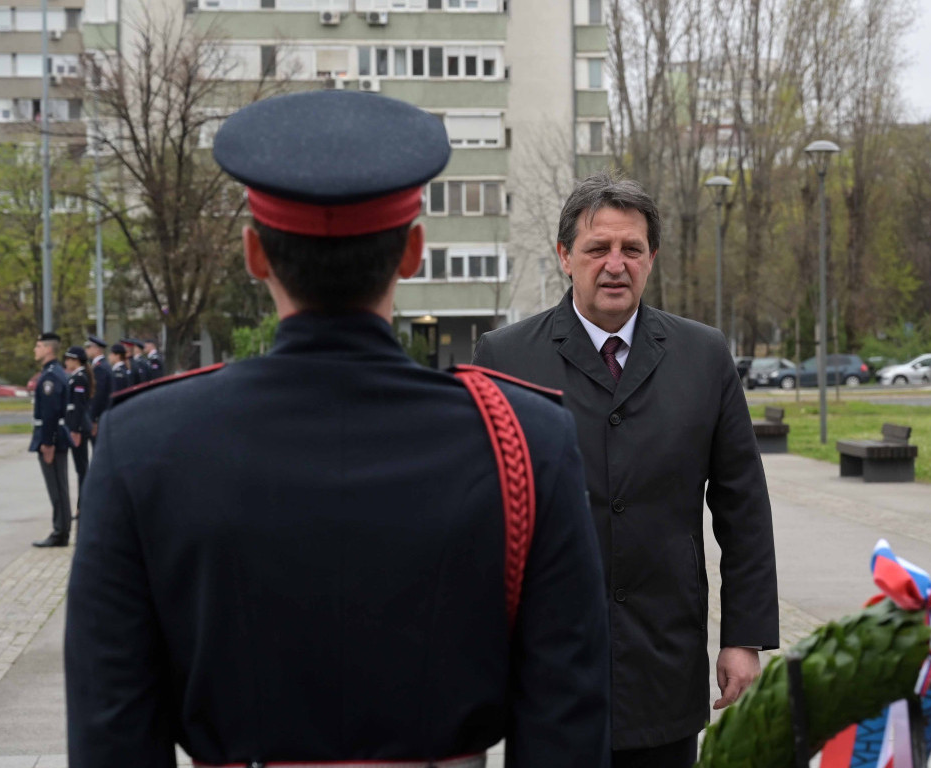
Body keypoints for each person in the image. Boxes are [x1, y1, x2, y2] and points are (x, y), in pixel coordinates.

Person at [65, 90, 610, 768]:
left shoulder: (141, 444)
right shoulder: (526, 443)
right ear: (413, 252)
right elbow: (568, 726)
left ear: (254, 254)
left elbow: (110, 732)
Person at [472, 172, 779, 768]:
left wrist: (743, 637)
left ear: (651, 258)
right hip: (550, 670)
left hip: (664, 663)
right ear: (565, 256)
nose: (616, 265)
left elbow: (743, 507)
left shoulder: (704, 356)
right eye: (598, 249)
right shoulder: (505, 358)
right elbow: (480, 516)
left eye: (631, 249)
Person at [29, 332, 72, 547]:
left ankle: (60, 531)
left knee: (56, 487)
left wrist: (48, 442)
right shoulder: (55, 372)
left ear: (48, 349)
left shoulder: (50, 376)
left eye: (38, 346)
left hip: (51, 438)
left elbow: (50, 412)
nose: (35, 350)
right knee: (59, 485)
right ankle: (61, 529)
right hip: (55, 436)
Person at [61, 346, 93, 513]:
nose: (66, 362)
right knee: (81, 468)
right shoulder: (75, 377)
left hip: (78, 428)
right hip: (75, 427)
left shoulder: (79, 378)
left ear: (76, 361)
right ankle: (84, 504)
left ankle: (84, 504)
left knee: (82, 468)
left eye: (68, 359)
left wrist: (75, 430)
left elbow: (78, 407)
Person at [84, 336, 112, 439]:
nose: (86, 350)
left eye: (88, 347)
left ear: (96, 349)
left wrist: (94, 418)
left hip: (99, 416)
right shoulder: (100, 365)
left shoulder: (100, 367)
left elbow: (98, 395)